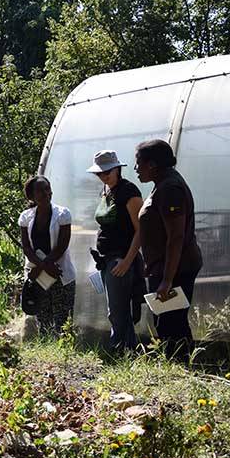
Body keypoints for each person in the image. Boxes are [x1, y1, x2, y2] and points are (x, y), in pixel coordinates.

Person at [134, 139, 202, 360]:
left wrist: (167, 279)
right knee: (167, 321)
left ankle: (181, 365)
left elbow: (176, 237)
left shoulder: (171, 188)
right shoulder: (162, 184)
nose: (136, 169)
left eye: (138, 163)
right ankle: (177, 363)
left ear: (152, 164)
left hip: (176, 270)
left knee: (172, 323)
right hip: (163, 268)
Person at [87, 150, 145, 351]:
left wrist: (127, 261)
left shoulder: (129, 191)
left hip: (120, 259)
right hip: (105, 259)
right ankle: (123, 349)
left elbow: (141, 230)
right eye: (100, 173)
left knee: (119, 311)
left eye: (107, 172)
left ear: (117, 169)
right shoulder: (106, 190)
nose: (104, 176)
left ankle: (122, 350)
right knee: (115, 310)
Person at [18, 176, 76, 335]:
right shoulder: (25, 217)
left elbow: (62, 245)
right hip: (37, 275)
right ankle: (46, 351)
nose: (45, 193)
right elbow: (27, 248)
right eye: (40, 190)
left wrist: (45, 266)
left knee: (62, 322)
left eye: (47, 189)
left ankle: (63, 353)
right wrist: (40, 268)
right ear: (31, 196)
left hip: (60, 274)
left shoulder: (63, 214)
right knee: (43, 320)